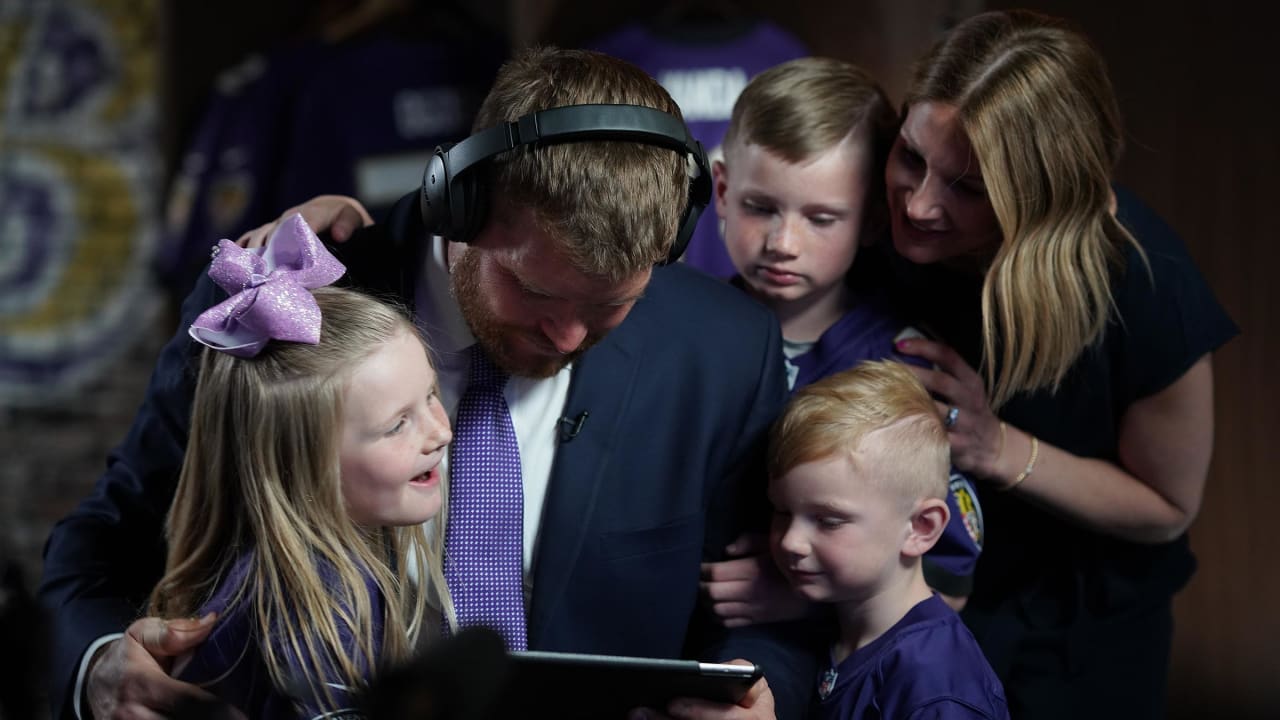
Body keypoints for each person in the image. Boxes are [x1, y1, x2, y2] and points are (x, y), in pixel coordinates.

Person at [39, 46, 812, 720]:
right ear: (460, 203)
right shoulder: (275, 301)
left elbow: (776, 609)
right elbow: (105, 543)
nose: (569, 338)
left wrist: (763, 693)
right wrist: (97, 665)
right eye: (536, 295)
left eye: (611, 307)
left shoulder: (724, 353)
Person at [880, 10, 1238, 719]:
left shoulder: (1141, 279)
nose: (918, 204)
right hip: (919, 599)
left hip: (1079, 632)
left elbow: (1166, 508)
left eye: (970, 188)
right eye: (911, 158)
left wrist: (994, 445)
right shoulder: (882, 219)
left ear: (1040, 199)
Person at [700, 56, 983, 623]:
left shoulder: (906, 368)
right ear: (723, 189)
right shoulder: (683, 333)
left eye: (822, 218)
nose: (783, 241)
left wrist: (804, 600)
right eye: (761, 208)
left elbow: (950, 577)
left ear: (875, 220)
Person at [145, 217, 453, 718]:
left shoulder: (332, 577)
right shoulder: (313, 609)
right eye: (398, 425)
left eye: (432, 395)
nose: (441, 432)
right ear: (302, 463)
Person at [763, 360, 1007, 719]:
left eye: (828, 521)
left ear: (921, 527)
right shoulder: (834, 627)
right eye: (782, 512)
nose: (790, 542)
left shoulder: (938, 686)